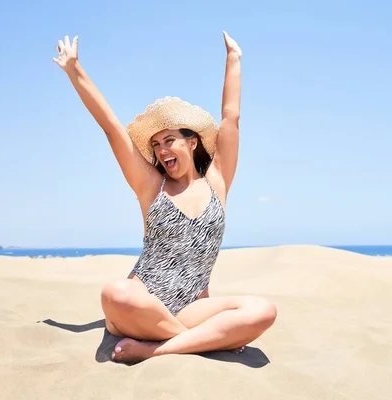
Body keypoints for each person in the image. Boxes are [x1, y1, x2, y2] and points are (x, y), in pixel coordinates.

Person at [53, 33, 277, 363]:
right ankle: (206, 342)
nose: (161, 150)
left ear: (193, 143)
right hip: (139, 309)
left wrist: (234, 60)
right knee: (114, 293)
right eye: (156, 145)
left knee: (263, 309)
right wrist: (75, 70)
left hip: (192, 310)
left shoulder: (217, 181)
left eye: (169, 140)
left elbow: (231, 119)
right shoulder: (151, 185)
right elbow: (112, 127)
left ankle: (156, 349)